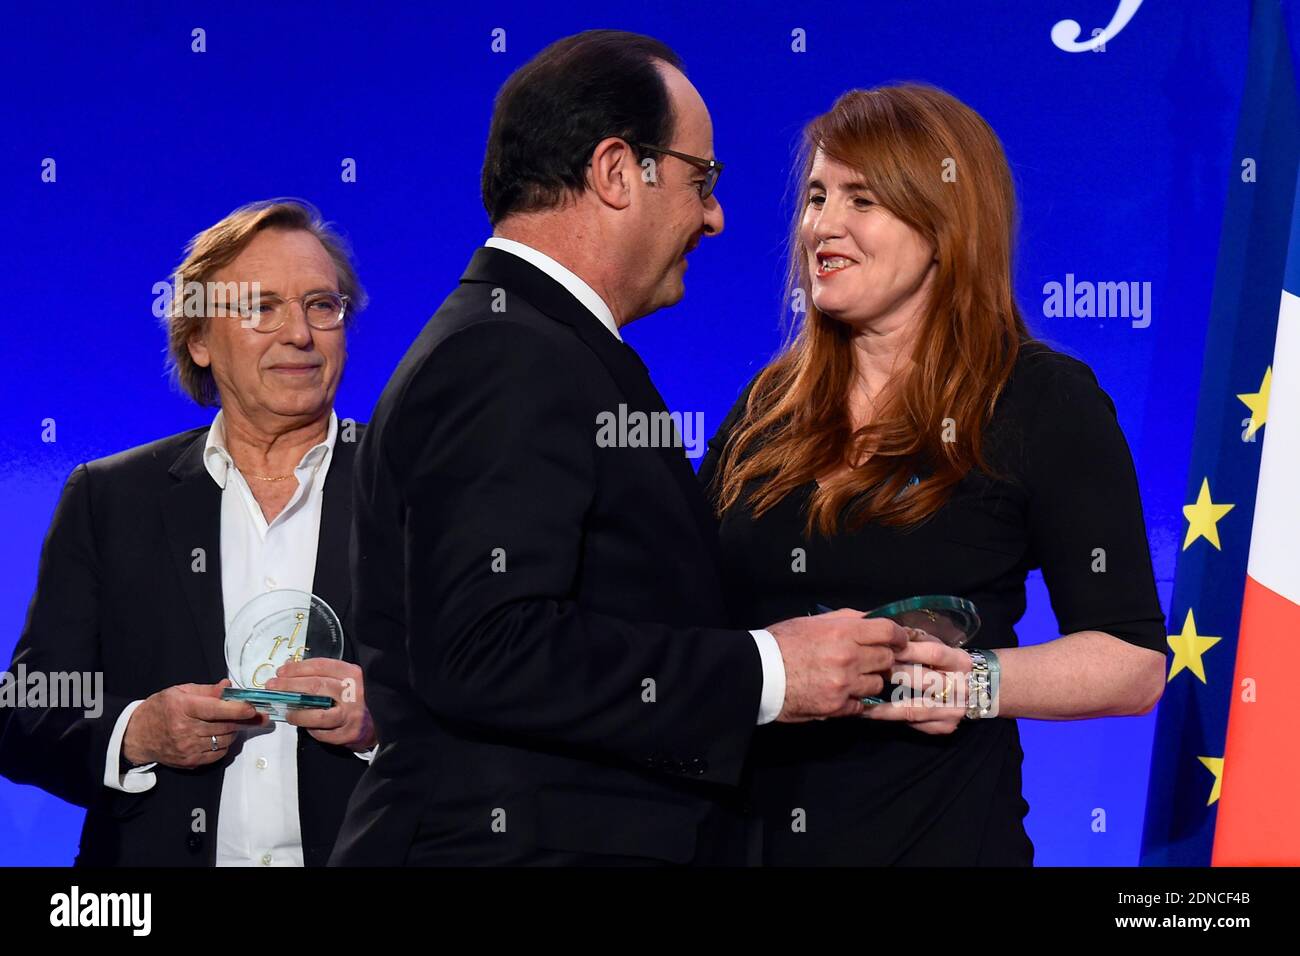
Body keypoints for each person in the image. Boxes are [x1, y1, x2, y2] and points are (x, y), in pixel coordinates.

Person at [330, 30, 906, 867]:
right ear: (614, 171)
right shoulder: (505, 355)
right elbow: (485, 647)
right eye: (700, 178)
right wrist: (768, 672)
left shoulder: (542, 345)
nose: (715, 216)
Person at [700, 85, 1168, 865]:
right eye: (816, 196)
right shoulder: (766, 405)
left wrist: (970, 681)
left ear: (944, 227)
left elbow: (1133, 663)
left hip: (939, 842)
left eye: (863, 199)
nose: (823, 224)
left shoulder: (1039, 401)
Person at [0, 200, 377, 866]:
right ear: (199, 339)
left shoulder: (420, 489)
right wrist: (136, 731)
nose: (300, 333)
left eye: (322, 305)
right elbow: (27, 711)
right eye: (261, 307)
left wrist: (384, 722)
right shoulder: (111, 498)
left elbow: (503, 695)